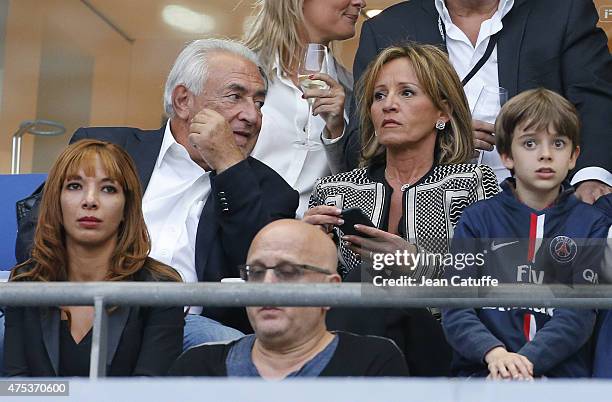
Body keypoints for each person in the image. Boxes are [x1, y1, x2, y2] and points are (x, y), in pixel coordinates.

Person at [15, 39, 299, 343]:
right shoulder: (108, 148)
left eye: (258, 103)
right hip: (80, 309)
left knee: (230, 348)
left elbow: (260, 271)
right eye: (235, 97)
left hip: (186, 327)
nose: (252, 116)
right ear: (182, 101)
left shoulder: (271, 190)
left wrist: (229, 167)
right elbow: (36, 233)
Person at [304, 43, 499, 376]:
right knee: (356, 281)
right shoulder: (334, 190)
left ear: (443, 113)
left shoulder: (472, 182)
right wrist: (305, 248)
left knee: (369, 276)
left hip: (440, 343)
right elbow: (312, 296)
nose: (388, 105)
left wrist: (414, 263)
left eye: (407, 93)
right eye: (379, 96)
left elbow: (495, 283)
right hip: (350, 346)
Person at [342, 0, 612, 203]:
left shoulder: (562, 11)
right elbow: (363, 135)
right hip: (424, 204)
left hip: (542, 203)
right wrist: (446, 136)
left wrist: (591, 177)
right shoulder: (388, 27)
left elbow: (594, 100)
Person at [442, 88, 610, 379]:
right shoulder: (477, 220)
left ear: (573, 157)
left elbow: (579, 314)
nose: (545, 155)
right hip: (483, 374)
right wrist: (493, 353)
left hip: (561, 384)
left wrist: (525, 362)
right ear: (506, 155)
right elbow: (457, 307)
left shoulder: (591, 223)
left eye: (558, 144)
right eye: (530, 143)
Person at [4, 139, 184, 377]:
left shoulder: (161, 287)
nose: (90, 200)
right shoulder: (26, 281)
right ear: (56, 201)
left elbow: (148, 391)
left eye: (108, 188)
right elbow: (16, 386)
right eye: (74, 186)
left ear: (126, 207)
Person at [168, 219, 409, 378]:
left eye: (288, 272)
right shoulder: (197, 367)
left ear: (331, 290)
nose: (268, 285)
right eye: (257, 272)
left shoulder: (372, 364)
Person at [244, 0, 365, 216]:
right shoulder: (242, 72)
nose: (360, 2)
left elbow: (354, 186)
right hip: (237, 229)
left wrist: (336, 131)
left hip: (309, 241)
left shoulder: (353, 91)